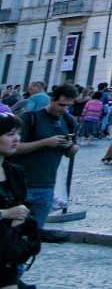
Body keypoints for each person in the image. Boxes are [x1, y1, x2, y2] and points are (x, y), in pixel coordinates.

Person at [13, 84, 76, 230]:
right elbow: (14, 148)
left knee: (35, 233)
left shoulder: (69, 121)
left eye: (68, 105)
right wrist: (45, 142)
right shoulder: (30, 118)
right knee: (12, 233)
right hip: (21, 184)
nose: (64, 109)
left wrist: (70, 146)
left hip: (46, 186)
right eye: (61, 104)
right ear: (52, 99)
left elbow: (71, 152)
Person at [0, 116, 35, 289]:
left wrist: (22, 215)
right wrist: (5, 213)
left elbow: (23, 204)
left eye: (18, 133)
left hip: (6, 252)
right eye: (10, 134)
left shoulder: (15, 172)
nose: (17, 139)